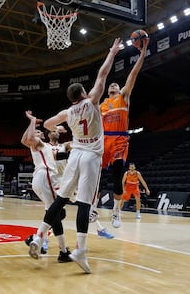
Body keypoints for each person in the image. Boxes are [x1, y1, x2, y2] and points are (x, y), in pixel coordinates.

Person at [28, 38, 122, 274]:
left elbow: (49, 122)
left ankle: (39, 236)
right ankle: (80, 249)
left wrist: (55, 127)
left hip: (75, 155)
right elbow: (102, 74)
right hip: (90, 156)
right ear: (82, 92)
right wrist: (111, 53)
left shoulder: (67, 112)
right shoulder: (92, 101)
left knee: (60, 199)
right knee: (84, 202)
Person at [98, 37, 149, 228]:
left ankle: (116, 212)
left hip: (119, 139)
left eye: (115, 85)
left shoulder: (123, 96)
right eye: (111, 86)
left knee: (117, 177)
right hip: (103, 141)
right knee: (98, 178)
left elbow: (133, 75)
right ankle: (93, 208)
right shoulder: (101, 104)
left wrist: (142, 54)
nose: (113, 85)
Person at [21, 110, 72, 263]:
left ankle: (63, 251)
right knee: (57, 212)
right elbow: (26, 139)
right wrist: (32, 121)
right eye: (35, 132)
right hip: (46, 176)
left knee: (57, 214)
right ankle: (38, 239)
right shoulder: (39, 144)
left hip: (41, 179)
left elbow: (25, 139)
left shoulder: (46, 147)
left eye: (38, 131)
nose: (36, 133)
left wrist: (58, 128)